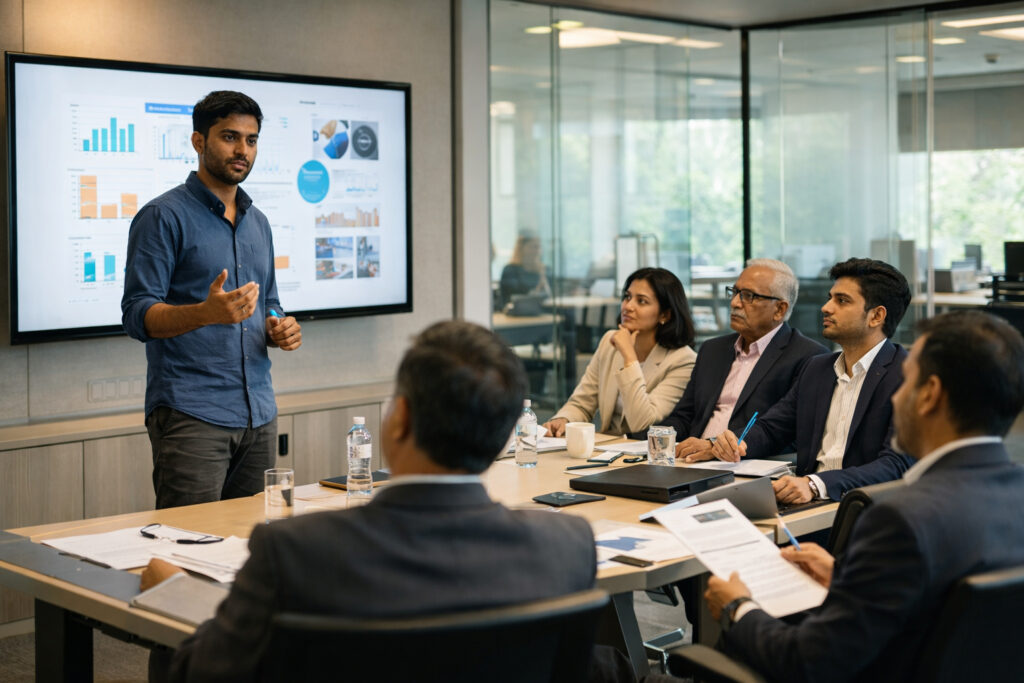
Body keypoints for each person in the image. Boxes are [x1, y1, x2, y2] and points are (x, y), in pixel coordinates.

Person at [139, 320, 596, 681]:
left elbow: (206, 672)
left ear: (398, 421)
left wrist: (175, 592)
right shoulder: (568, 545)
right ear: (506, 437)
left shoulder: (293, 551)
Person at [704, 310, 1024, 683]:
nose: (897, 395)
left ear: (930, 395)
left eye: (906, 382)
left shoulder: (899, 520)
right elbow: (943, 609)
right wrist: (845, 579)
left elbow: (809, 663)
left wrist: (737, 607)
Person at [121, 91, 302, 510]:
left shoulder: (259, 222)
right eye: (230, 137)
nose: (243, 150)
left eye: (252, 140)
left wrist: (280, 326)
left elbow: (270, 301)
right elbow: (136, 315)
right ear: (199, 142)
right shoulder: (163, 216)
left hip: (259, 412)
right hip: (191, 413)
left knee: (251, 542)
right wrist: (205, 313)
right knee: (186, 544)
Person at [705, 258, 914, 502]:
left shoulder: (907, 376)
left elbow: (896, 464)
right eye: (830, 297)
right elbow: (773, 428)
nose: (826, 307)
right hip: (803, 503)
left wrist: (816, 484)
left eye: (842, 300)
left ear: (876, 316)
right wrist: (736, 442)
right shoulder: (818, 369)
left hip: (860, 510)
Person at [634, 259, 827, 457]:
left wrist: (714, 447)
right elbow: (685, 417)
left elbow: (783, 432)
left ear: (779, 309)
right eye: (734, 292)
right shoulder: (713, 350)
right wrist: (641, 443)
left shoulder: (809, 356)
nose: (734, 303)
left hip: (745, 465)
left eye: (748, 296)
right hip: (692, 461)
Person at [543, 267, 697, 438]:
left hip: (644, 453)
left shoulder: (683, 361)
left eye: (642, 301)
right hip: (606, 447)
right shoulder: (610, 342)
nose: (628, 306)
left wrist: (629, 357)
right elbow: (582, 403)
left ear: (665, 315)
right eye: (627, 297)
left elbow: (642, 422)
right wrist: (564, 419)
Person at [499, 232, 550, 306]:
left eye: (539, 247)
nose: (537, 251)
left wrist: (543, 278)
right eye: (533, 247)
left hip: (541, 312)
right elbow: (515, 296)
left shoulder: (544, 269)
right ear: (521, 248)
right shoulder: (510, 270)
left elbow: (550, 295)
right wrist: (537, 288)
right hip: (518, 313)